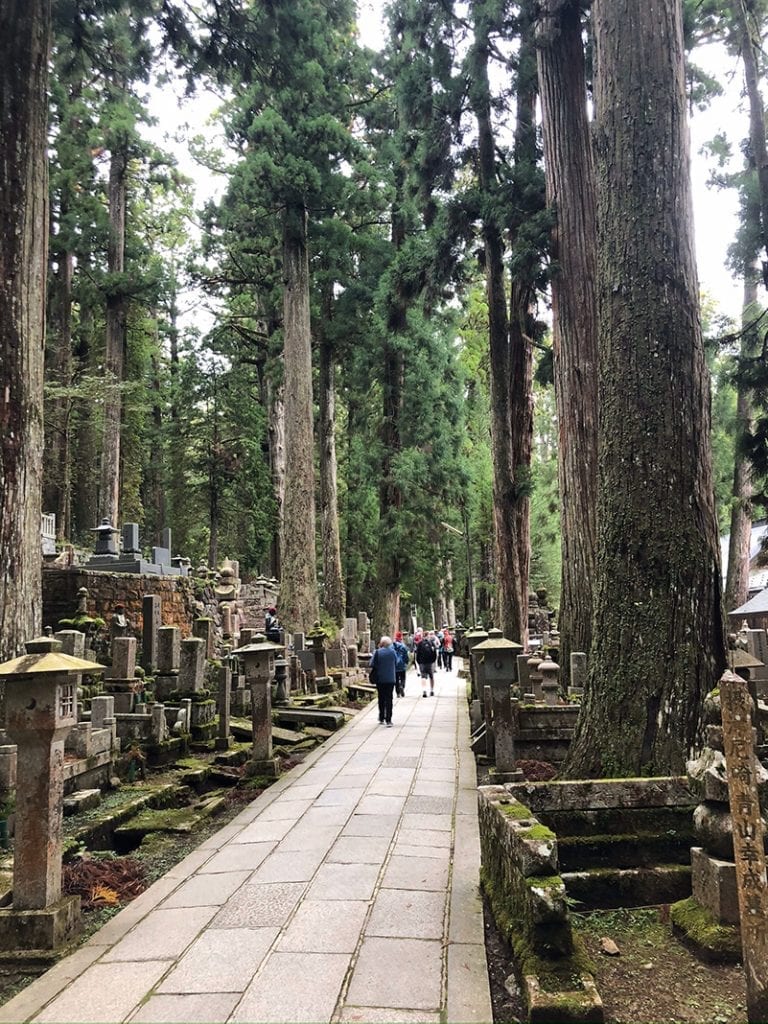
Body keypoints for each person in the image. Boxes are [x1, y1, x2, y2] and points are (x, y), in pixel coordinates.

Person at [370, 635, 397, 726]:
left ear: (381, 643)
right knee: (389, 698)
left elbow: (371, 664)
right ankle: (389, 720)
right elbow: (396, 662)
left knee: (381, 698)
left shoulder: (377, 652)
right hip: (390, 679)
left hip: (380, 679)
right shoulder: (392, 652)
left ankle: (381, 717)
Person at [416, 631, 437, 697]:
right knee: (431, 676)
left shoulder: (420, 643)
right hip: (430, 662)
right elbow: (435, 654)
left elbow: (417, 654)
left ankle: (424, 690)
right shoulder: (431, 643)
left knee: (423, 677)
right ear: (428, 636)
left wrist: (419, 662)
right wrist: (433, 661)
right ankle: (432, 690)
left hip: (422, 662)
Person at [393, 631, 409, 696]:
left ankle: (398, 693)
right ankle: (402, 686)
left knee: (396, 679)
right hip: (402, 664)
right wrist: (407, 661)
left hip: (395, 664)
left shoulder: (392, 645)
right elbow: (405, 655)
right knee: (403, 677)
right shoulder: (403, 646)